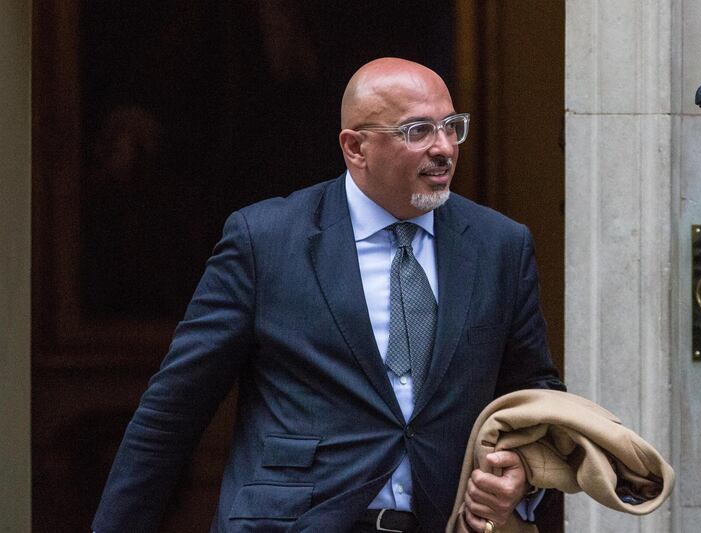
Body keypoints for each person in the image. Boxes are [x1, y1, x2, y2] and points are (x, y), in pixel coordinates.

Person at [93, 57, 565, 533]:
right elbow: (174, 408)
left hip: (443, 520)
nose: (443, 148)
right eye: (418, 131)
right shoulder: (267, 240)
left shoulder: (499, 245)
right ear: (356, 147)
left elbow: (536, 395)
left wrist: (523, 474)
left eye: (451, 127)